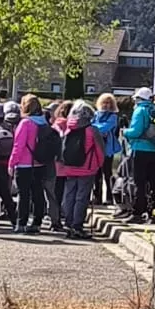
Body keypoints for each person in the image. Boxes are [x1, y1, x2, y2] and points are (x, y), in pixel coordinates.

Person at [9, 94, 57, 234]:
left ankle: (21, 223)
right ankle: (37, 223)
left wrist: (12, 163)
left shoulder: (25, 123)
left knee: (24, 195)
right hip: (40, 163)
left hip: (24, 165)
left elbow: (18, 146)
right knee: (38, 194)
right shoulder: (44, 123)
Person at [58, 101, 105, 239]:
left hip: (69, 167)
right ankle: (77, 226)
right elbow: (100, 151)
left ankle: (68, 223)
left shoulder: (69, 128)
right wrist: (98, 165)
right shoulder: (92, 130)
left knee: (69, 195)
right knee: (81, 197)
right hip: (87, 168)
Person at [122, 87, 155, 224]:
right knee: (153, 182)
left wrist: (125, 132)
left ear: (138, 99)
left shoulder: (140, 110)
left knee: (139, 182)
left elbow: (136, 131)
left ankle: (138, 212)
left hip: (140, 149)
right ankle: (153, 211)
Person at [46, 101, 73, 231]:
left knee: (54, 194)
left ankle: (55, 221)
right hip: (70, 165)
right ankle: (67, 217)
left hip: (55, 164)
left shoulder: (56, 125)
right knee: (66, 193)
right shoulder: (74, 125)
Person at [91, 93, 122, 206]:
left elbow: (106, 127)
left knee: (107, 173)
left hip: (107, 149)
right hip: (95, 148)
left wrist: (94, 128)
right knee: (96, 174)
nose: (107, 105)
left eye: (109, 103)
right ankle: (97, 197)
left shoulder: (113, 116)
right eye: (104, 102)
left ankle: (109, 197)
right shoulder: (95, 115)